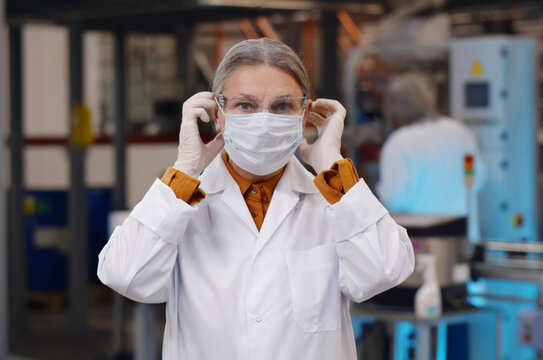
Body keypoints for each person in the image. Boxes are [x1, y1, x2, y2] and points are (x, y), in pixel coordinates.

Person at [97, 38, 414, 359]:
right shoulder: (180, 202)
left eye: (282, 106)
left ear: (305, 114)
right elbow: (126, 276)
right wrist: (186, 167)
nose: (264, 120)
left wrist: (331, 163)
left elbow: (385, 271)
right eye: (245, 106)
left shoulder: (334, 200)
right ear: (217, 115)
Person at [376, 74, 485, 215]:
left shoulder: (399, 141)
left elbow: (395, 199)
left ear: (394, 107)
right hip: (462, 228)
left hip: (419, 233)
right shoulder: (460, 131)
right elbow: (476, 177)